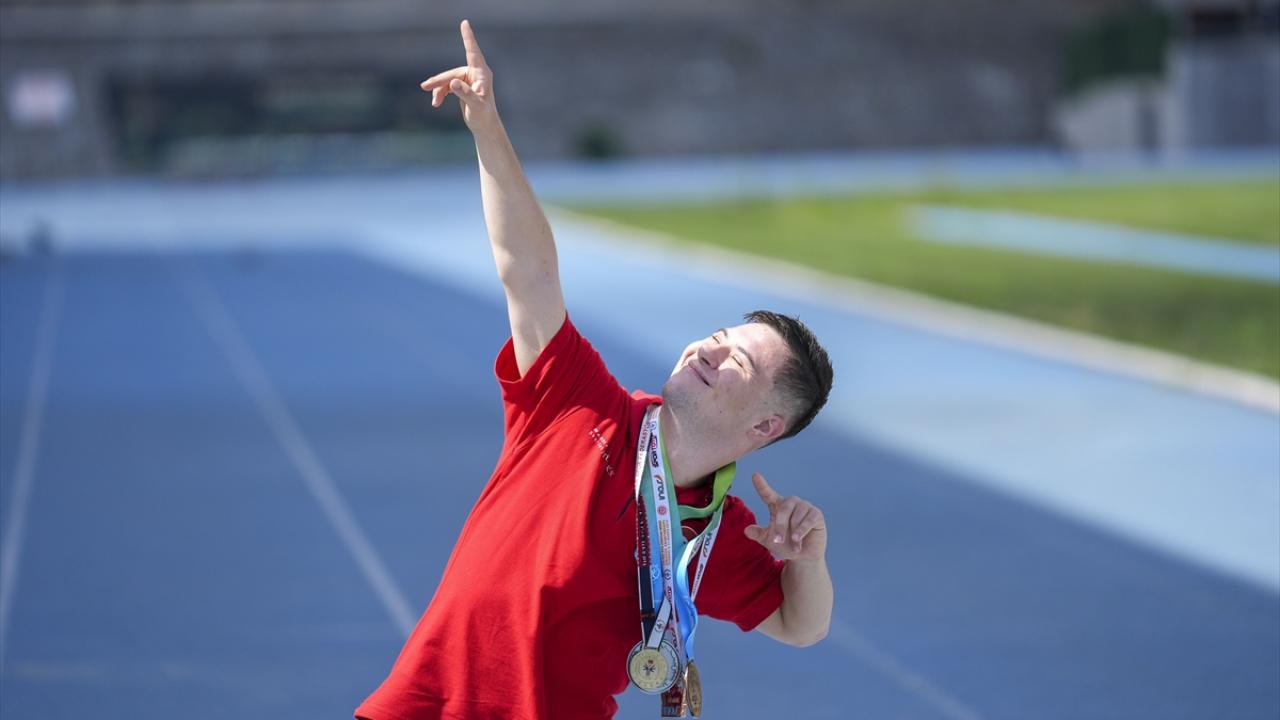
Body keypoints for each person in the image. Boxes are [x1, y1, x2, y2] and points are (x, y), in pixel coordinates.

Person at [355, 20, 835, 720]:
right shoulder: (578, 401)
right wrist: (487, 127)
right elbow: (529, 271)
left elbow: (802, 625)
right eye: (715, 336)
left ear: (765, 425)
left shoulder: (715, 534)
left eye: (736, 360)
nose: (706, 350)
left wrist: (807, 560)